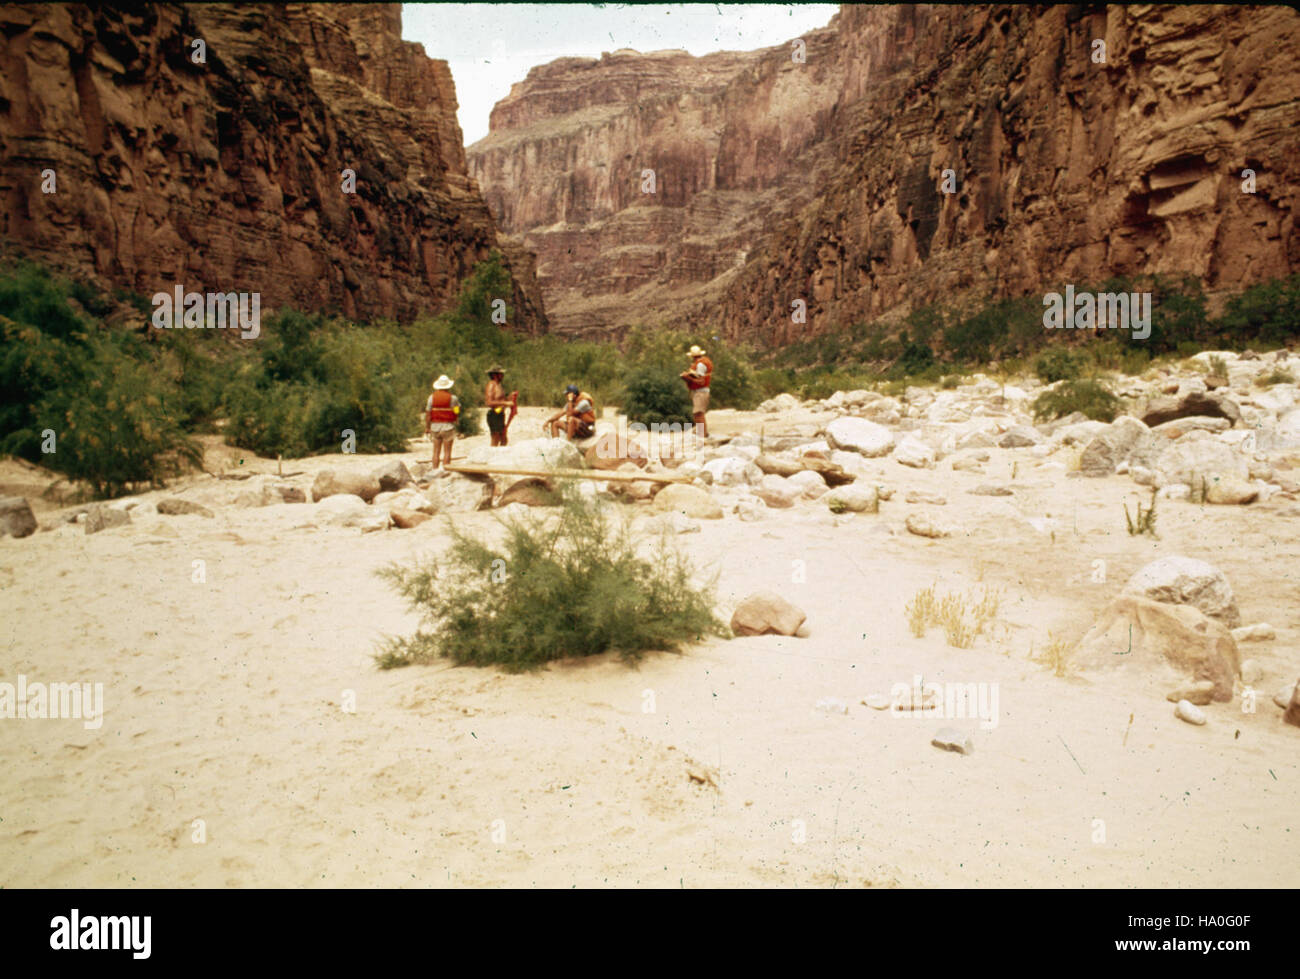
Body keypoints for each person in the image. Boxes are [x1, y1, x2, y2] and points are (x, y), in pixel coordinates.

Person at [424, 374, 460, 474]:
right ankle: (445, 472)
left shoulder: (431, 397)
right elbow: (456, 410)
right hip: (448, 426)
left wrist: (427, 427)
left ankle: (434, 472)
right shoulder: (453, 398)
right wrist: (456, 417)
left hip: (435, 427)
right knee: (447, 452)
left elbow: (428, 414)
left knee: (436, 452)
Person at [680, 344, 713, 437]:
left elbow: (701, 381)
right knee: (697, 413)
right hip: (700, 391)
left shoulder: (700, 365)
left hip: (701, 391)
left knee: (698, 413)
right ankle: (701, 432)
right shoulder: (702, 362)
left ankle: (703, 433)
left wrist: (688, 378)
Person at [484, 365, 516, 447]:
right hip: (494, 415)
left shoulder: (499, 385)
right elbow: (489, 402)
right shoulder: (491, 385)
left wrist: (510, 397)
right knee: (495, 439)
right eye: (500, 374)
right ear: (495, 375)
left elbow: (501, 400)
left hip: (500, 415)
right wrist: (506, 403)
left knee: (504, 439)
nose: (502, 375)